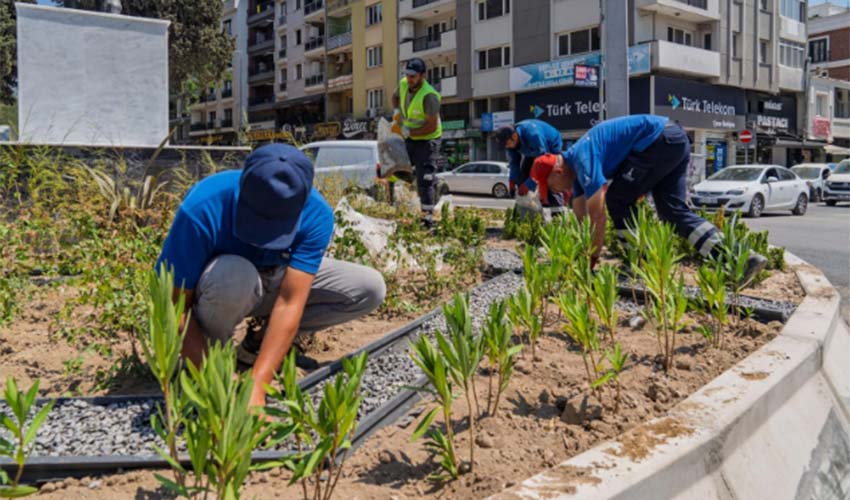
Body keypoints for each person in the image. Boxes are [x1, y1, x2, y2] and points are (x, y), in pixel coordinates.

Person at [155, 144, 386, 408]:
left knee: (369, 287)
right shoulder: (203, 206)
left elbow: (290, 301)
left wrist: (257, 384)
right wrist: (217, 382)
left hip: (274, 279)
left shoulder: (316, 214)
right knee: (236, 275)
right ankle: (209, 356)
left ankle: (257, 346)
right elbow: (173, 306)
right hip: (223, 286)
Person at [529, 114, 767, 280]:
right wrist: (577, 254)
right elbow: (581, 216)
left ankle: (638, 264)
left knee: (617, 200)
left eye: (551, 186)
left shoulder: (582, 159)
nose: (555, 192)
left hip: (657, 141)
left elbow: (597, 217)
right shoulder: (577, 174)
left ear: (558, 172)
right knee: (672, 211)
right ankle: (739, 259)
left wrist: (590, 262)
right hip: (673, 139)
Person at [392, 57, 442, 227]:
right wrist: (398, 116)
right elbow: (395, 97)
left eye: (413, 76)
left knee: (425, 179)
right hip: (411, 138)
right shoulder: (404, 83)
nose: (409, 79)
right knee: (397, 167)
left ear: (422, 75)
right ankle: (418, 175)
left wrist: (408, 131)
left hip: (428, 140)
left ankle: (427, 220)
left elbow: (431, 126)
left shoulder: (430, 96)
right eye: (407, 75)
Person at [494, 119, 564, 207]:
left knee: (550, 178)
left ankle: (557, 211)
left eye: (507, 144)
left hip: (550, 148)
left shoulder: (534, 135)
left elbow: (543, 163)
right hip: (532, 151)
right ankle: (527, 210)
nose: (507, 147)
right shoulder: (510, 143)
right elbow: (514, 163)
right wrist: (512, 180)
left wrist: (529, 184)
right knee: (523, 179)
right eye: (504, 145)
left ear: (515, 136)